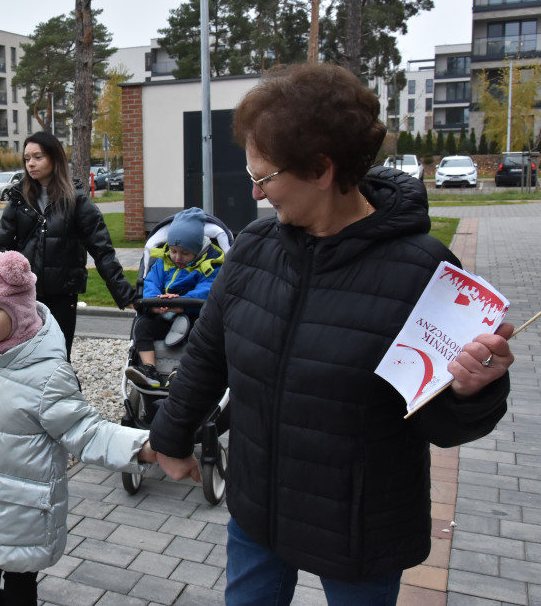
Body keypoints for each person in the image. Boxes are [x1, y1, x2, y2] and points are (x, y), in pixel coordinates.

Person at [149, 63, 513, 605]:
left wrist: (471, 389)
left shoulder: (424, 273)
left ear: (321, 168)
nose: (254, 195)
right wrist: (169, 437)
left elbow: (442, 423)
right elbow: (207, 355)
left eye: (264, 178)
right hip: (259, 509)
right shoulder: (253, 248)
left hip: (358, 528)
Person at [0, 249, 156, 606]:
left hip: (23, 517)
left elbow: (87, 430)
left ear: (19, 313)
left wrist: (141, 446)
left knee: (20, 594)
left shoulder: (46, 376)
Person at [0, 131, 135, 359]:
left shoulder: (76, 201)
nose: (31, 163)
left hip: (63, 295)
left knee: (57, 358)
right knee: (23, 358)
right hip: (24, 295)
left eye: (38, 157)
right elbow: (0, 250)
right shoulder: (19, 200)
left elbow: (102, 250)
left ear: (54, 158)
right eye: (27, 158)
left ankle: (65, 395)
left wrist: (125, 294)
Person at [125, 207, 224, 389]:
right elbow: (151, 284)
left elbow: (208, 289)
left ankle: (185, 369)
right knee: (142, 326)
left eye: (184, 253)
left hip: (192, 315)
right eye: (173, 251)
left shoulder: (209, 265)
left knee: (202, 331)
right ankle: (149, 369)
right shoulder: (162, 262)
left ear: (197, 249)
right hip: (163, 315)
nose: (177, 257)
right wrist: (156, 303)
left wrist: (181, 302)